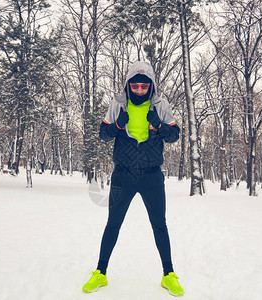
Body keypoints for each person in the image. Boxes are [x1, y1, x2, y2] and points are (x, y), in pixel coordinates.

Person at [82, 61, 184, 296]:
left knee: (159, 225)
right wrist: (119, 124)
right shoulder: (118, 104)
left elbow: (174, 135)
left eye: (144, 86)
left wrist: (157, 124)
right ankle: (101, 272)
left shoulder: (161, 105)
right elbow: (103, 134)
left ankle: (168, 275)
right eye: (135, 86)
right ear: (128, 85)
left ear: (151, 86)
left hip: (151, 176)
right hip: (123, 175)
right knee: (113, 224)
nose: (139, 90)